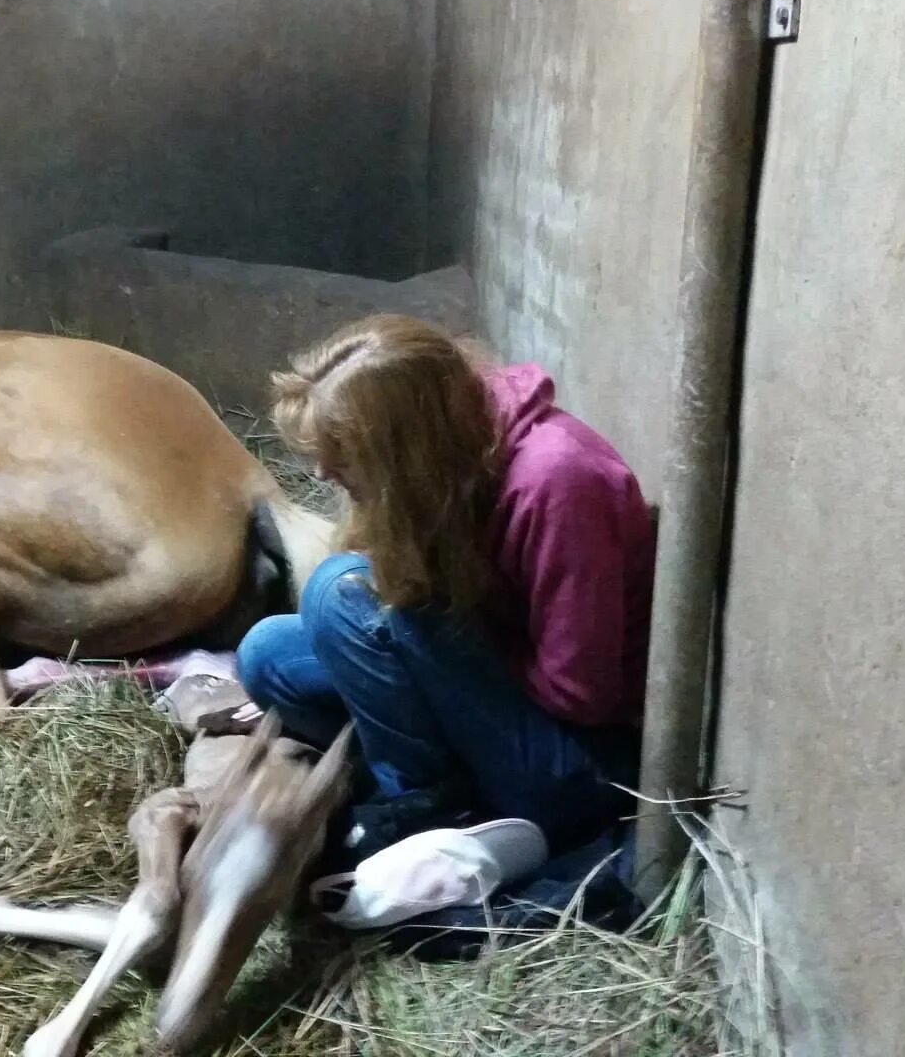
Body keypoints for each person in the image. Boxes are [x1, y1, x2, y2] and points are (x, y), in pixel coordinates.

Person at [225, 314, 654, 864]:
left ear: (409, 446)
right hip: (493, 709)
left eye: (344, 453)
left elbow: (581, 695)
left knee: (344, 594)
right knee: (268, 654)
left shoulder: (559, 481)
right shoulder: (456, 458)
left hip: (573, 764)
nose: (327, 471)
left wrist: (433, 630)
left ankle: (426, 811)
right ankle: (431, 782)